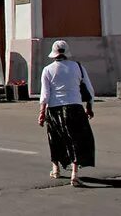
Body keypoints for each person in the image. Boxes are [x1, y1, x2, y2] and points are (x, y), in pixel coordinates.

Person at [38, 40, 96, 187]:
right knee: (76, 140)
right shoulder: (78, 67)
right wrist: (89, 107)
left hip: (54, 109)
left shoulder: (47, 70)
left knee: (55, 139)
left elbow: (45, 94)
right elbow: (89, 90)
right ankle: (74, 174)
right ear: (66, 52)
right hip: (75, 108)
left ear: (53, 54)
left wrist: (42, 113)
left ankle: (55, 169)